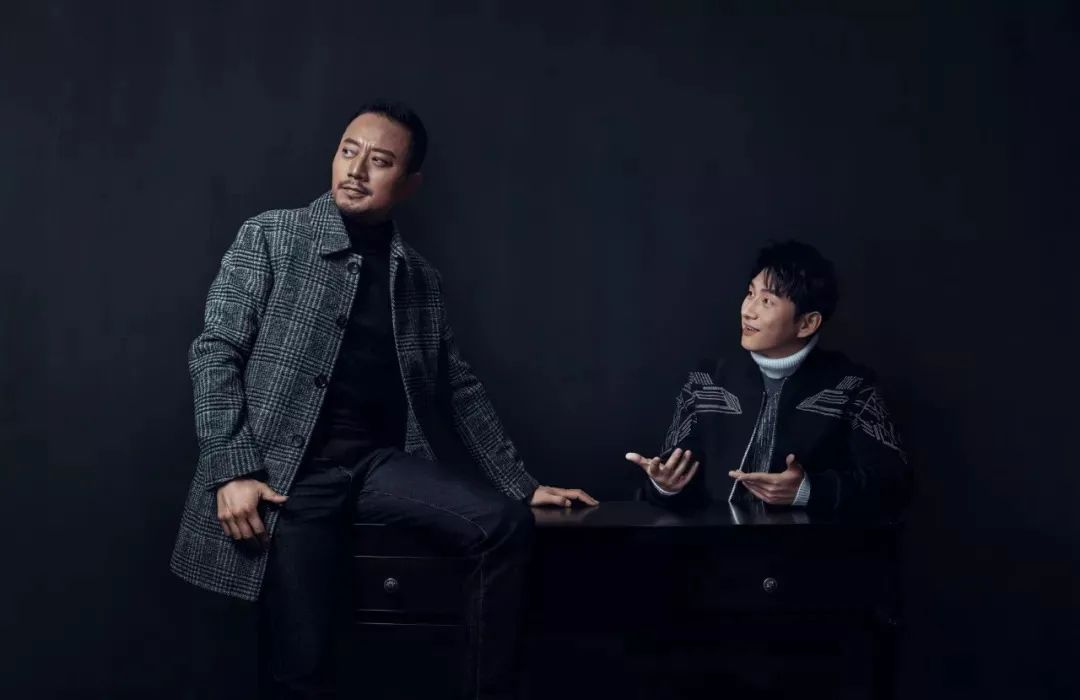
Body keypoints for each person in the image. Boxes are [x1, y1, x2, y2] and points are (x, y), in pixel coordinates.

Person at [170, 101, 597, 700]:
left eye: (380, 161)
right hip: (289, 478)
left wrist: (521, 485)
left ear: (410, 182)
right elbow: (215, 353)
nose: (356, 170)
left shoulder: (418, 277)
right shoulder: (270, 236)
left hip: (375, 466)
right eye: (348, 151)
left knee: (503, 526)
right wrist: (233, 468)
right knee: (304, 665)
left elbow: (457, 386)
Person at [626, 240, 911, 516]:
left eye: (766, 301)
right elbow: (675, 479)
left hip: (808, 548)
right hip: (714, 546)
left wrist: (809, 491)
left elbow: (895, 486)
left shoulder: (851, 387)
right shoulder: (707, 380)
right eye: (750, 294)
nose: (747, 311)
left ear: (807, 323)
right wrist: (665, 487)